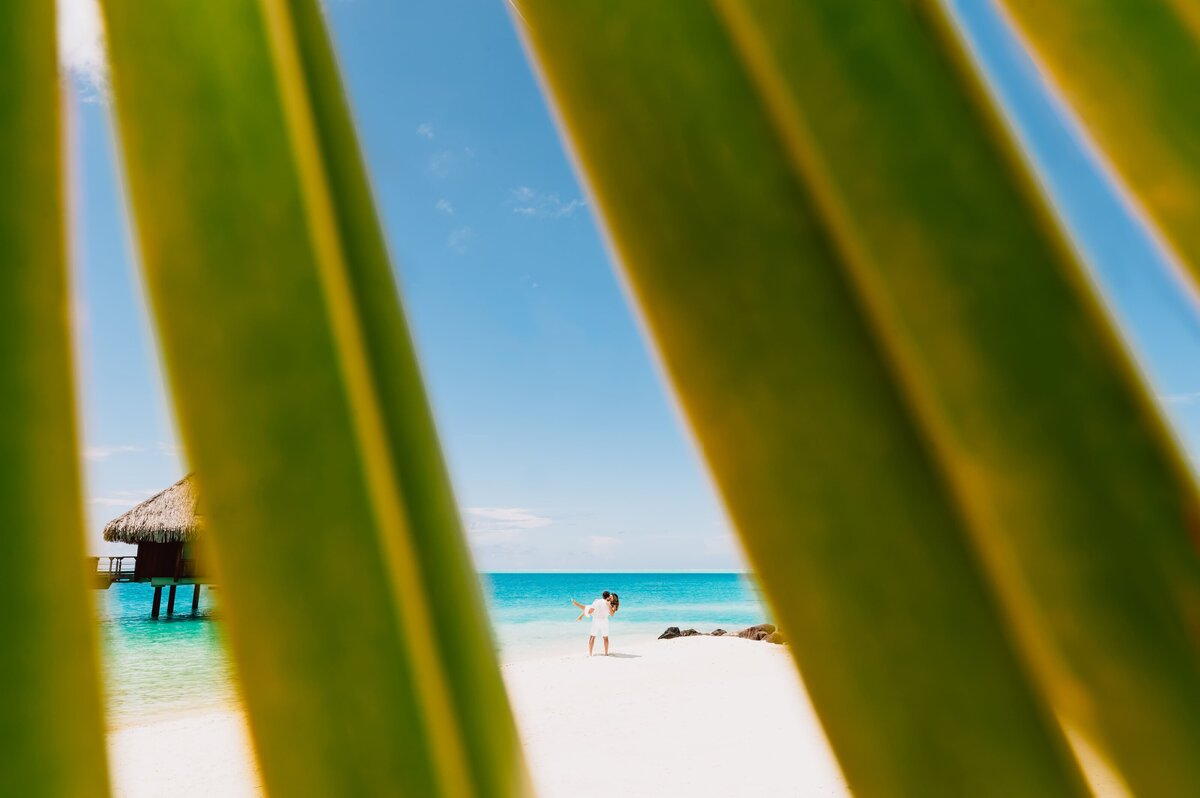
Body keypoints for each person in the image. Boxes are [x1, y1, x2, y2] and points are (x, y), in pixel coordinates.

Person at [570, 591, 619, 656]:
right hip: (604, 621)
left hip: (596, 620)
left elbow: (591, 611)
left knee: (592, 637)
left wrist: (586, 613)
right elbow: (612, 614)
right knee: (605, 638)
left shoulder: (597, 601)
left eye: (611, 596)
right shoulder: (611, 604)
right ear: (608, 597)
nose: (610, 597)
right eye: (610, 596)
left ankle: (590, 654)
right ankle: (606, 653)